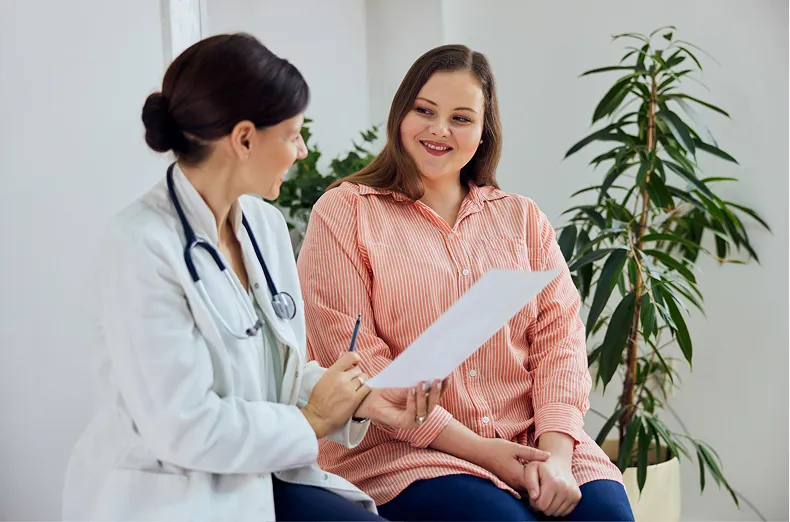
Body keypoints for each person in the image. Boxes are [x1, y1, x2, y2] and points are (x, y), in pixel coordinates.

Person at [61, 33, 448, 522]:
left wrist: (365, 400)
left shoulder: (263, 226)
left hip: (261, 472)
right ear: (244, 139)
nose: (302, 151)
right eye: (292, 134)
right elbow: (183, 426)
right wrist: (309, 422)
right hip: (178, 491)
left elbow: (271, 372)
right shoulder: (140, 246)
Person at [296, 44, 635, 521]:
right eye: (425, 110)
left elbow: (560, 344)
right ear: (400, 114)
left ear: (483, 131)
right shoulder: (346, 212)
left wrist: (557, 456)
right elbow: (357, 361)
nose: (439, 130)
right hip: (408, 452)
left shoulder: (522, 219)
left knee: (607, 516)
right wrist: (483, 452)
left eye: (460, 118)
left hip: (535, 438)